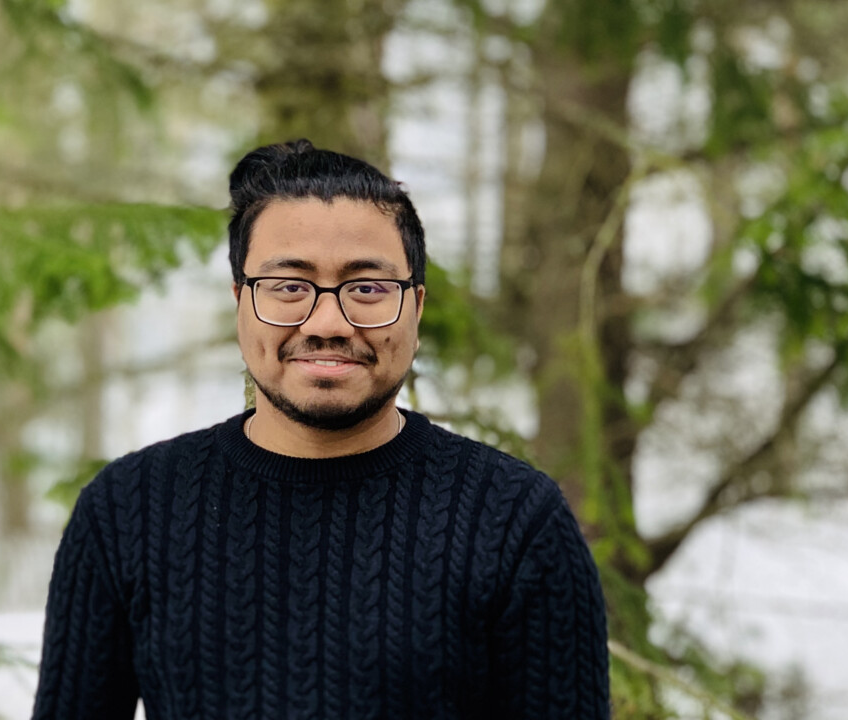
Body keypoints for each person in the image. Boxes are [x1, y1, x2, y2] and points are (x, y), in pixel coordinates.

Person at [31, 139, 610, 719]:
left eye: (368, 288)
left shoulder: (515, 520)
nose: (328, 322)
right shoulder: (129, 510)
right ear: (240, 302)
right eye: (289, 286)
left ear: (416, 307)